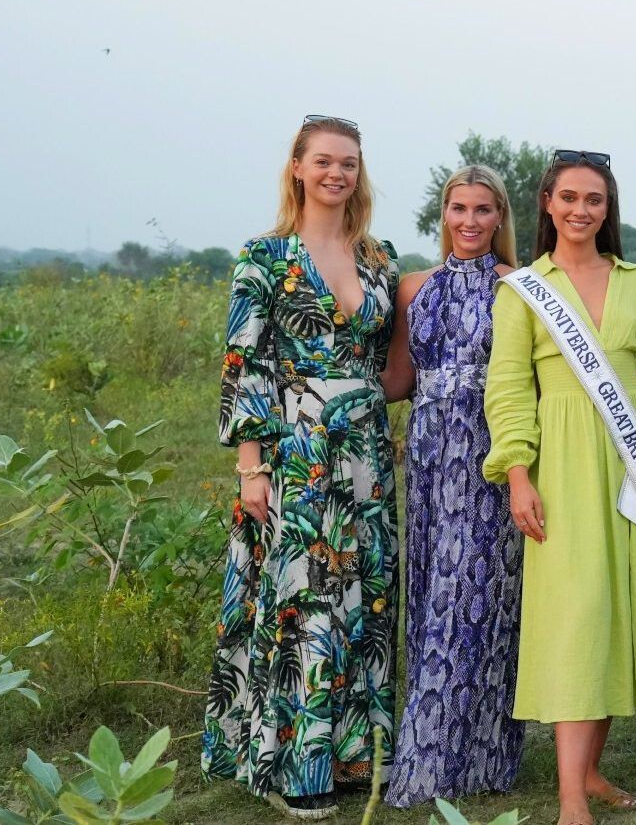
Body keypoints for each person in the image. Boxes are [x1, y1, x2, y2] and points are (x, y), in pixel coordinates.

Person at [204, 115, 400, 821]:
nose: (336, 173)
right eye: (323, 161)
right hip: (298, 453)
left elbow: (386, 362)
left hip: (367, 456)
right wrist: (250, 468)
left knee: (366, 600)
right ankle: (301, 764)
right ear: (297, 167)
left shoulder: (379, 257)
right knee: (306, 599)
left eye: (348, 162)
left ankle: (353, 755)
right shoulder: (263, 256)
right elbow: (244, 364)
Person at [482, 151, 636, 825]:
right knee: (576, 619)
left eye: (594, 199)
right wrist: (517, 476)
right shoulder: (522, 291)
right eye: (569, 197)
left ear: (607, 208)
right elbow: (508, 390)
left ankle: (591, 771)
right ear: (546, 202)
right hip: (560, 468)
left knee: (618, 611)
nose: (580, 210)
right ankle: (570, 799)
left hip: (631, 472)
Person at [380, 165, 523, 807]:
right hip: (430, 455)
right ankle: (456, 753)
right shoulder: (413, 286)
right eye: (458, 209)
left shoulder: (519, 287)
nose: (470, 221)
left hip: (492, 454)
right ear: (444, 214)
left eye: (483, 210)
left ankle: (449, 758)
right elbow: (397, 380)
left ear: (501, 218)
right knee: (431, 588)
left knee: (474, 598)